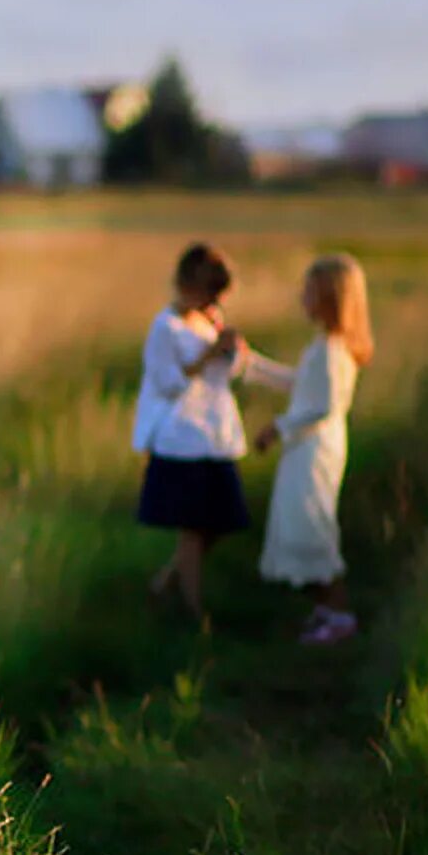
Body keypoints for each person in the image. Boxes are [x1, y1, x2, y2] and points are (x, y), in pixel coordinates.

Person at [246, 253, 374, 645]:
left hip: (315, 451)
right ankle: (324, 609)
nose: (301, 297)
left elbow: (324, 405)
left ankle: (339, 615)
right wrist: (250, 363)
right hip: (306, 448)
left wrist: (277, 428)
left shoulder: (333, 350)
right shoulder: (322, 346)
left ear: (330, 299)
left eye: (309, 291)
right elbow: (300, 384)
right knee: (300, 522)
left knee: (313, 526)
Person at [133, 242, 263, 622]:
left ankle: (165, 584)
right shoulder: (165, 327)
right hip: (180, 440)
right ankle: (194, 611)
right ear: (188, 285)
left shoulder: (210, 320)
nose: (213, 301)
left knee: (219, 523)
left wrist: (232, 351)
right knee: (193, 529)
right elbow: (167, 382)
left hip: (215, 437)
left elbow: (232, 373)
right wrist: (208, 355)